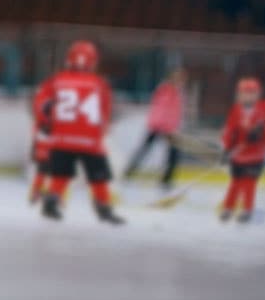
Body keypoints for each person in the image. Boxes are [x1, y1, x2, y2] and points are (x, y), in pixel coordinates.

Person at [31, 40, 124, 224]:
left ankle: (51, 202)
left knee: (60, 174)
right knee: (98, 177)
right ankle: (103, 208)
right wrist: (102, 131)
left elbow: (41, 105)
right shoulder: (99, 83)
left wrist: (46, 123)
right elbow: (105, 112)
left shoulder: (56, 80)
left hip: (61, 138)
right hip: (90, 140)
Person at [218, 77, 265, 223]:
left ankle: (247, 209)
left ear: (258, 94)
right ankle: (228, 208)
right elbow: (229, 131)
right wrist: (227, 149)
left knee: (249, 181)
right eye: (244, 93)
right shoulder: (236, 110)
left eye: (251, 93)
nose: (247, 96)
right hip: (239, 154)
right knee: (236, 181)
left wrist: (263, 130)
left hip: (257, 154)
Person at [125, 67, 187, 190]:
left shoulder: (179, 92)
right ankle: (129, 171)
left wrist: (175, 128)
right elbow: (160, 109)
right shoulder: (164, 90)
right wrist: (161, 126)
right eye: (177, 77)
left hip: (171, 128)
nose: (180, 80)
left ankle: (167, 179)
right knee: (145, 149)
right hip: (158, 126)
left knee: (173, 154)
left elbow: (177, 112)